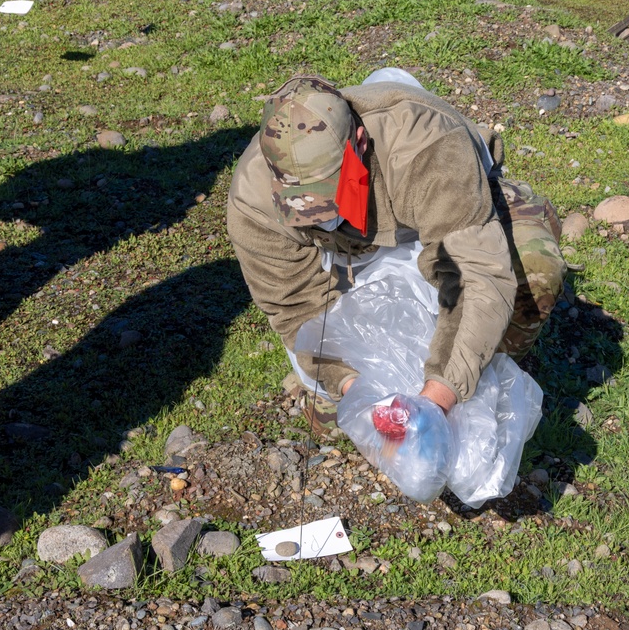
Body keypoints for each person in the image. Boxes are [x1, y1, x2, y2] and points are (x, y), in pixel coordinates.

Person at [226, 69, 567, 437]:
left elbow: (476, 275)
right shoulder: (253, 199)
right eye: (300, 204)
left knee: (533, 276)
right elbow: (296, 306)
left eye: (327, 191)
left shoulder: (425, 146)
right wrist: (354, 387)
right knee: (333, 420)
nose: (317, 213)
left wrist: (436, 400)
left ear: (358, 142)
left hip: (457, 216)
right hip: (353, 256)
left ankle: (487, 377)